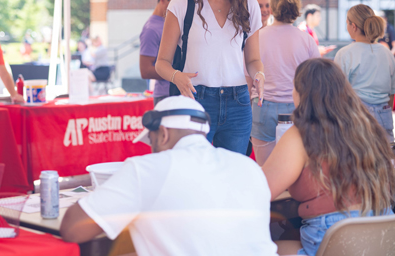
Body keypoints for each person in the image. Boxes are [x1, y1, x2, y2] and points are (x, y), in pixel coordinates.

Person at [60, 96, 278, 256]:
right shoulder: (248, 167)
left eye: (152, 143)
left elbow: (72, 229)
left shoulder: (147, 169)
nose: (152, 151)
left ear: (163, 134)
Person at [262, 58, 395, 256]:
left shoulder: (301, 134)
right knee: (290, 235)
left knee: (261, 247)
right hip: (385, 239)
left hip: (335, 240)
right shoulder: (367, 126)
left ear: (302, 93)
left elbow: (260, 190)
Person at [155, 0, 265, 155]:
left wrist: (260, 74)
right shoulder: (182, 3)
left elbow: (253, 60)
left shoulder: (249, 5)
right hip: (196, 99)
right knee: (193, 174)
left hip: (238, 103)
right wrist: (177, 77)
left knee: (232, 176)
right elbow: (161, 63)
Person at [249, 0, 319, 165]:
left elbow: (248, 77)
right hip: (296, 109)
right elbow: (315, 81)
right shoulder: (307, 40)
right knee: (294, 168)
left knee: (265, 170)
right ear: (297, 12)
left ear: (271, 10)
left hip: (262, 106)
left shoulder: (256, 38)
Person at [334, 4, 395, 142]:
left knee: (358, 160)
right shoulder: (386, 53)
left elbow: (337, 92)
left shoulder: (345, 54)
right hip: (384, 114)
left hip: (356, 114)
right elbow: (392, 92)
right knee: (385, 159)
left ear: (353, 26)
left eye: (347, 23)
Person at [139, 0, 184, 105]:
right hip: (166, 95)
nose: (178, 9)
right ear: (163, 0)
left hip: (178, 92)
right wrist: (177, 73)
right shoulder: (151, 29)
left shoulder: (172, 23)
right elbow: (145, 70)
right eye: (175, 4)